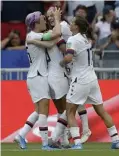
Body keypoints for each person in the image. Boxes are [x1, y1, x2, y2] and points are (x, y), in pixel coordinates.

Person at [59, 16, 119, 149]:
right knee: (102, 111)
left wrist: (61, 62)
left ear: (76, 26)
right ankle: (116, 140)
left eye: (72, 23)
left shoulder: (72, 39)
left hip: (80, 80)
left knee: (70, 111)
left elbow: (69, 56)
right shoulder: (85, 39)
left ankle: (77, 142)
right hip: (92, 79)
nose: (70, 24)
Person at [14, 8, 62, 150]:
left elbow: (51, 42)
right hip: (38, 76)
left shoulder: (33, 36)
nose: (44, 20)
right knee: (43, 111)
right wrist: (57, 20)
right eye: (42, 18)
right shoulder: (34, 35)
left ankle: (21, 135)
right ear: (35, 23)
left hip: (36, 76)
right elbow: (56, 34)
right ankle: (45, 144)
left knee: (38, 110)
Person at [46, 7, 91, 144]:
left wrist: (62, 61)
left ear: (59, 14)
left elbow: (65, 49)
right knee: (74, 102)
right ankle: (67, 135)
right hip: (69, 69)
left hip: (72, 67)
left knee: (73, 102)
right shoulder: (57, 29)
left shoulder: (64, 26)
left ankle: (69, 134)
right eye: (48, 16)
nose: (50, 18)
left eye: (52, 15)